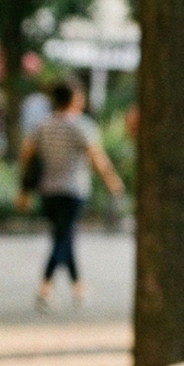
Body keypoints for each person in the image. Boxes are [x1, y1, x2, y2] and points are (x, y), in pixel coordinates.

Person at [16, 80, 124, 312]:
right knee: (63, 238)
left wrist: (23, 189)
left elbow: (26, 155)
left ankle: (78, 286)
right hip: (73, 190)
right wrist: (112, 181)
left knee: (63, 236)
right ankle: (44, 288)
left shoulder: (42, 125)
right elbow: (97, 157)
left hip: (48, 190)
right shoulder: (82, 126)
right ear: (74, 98)